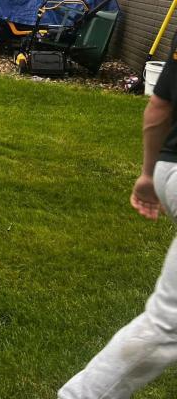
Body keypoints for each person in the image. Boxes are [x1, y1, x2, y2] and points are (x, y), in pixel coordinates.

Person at [59, 32, 177, 398]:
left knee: (166, 320)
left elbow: (159, 107)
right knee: (168, 322)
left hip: (171, 170)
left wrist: (148, 175)